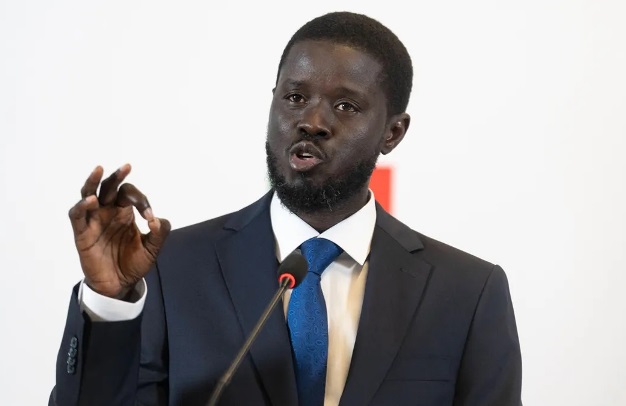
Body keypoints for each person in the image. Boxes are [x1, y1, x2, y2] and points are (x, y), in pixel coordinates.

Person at [49, 11, 522, 406]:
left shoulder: (467, 294)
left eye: (345, 106)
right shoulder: (170, 267)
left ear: (392, 133)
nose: (311, 121)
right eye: (295, 97)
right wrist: (109, 301)